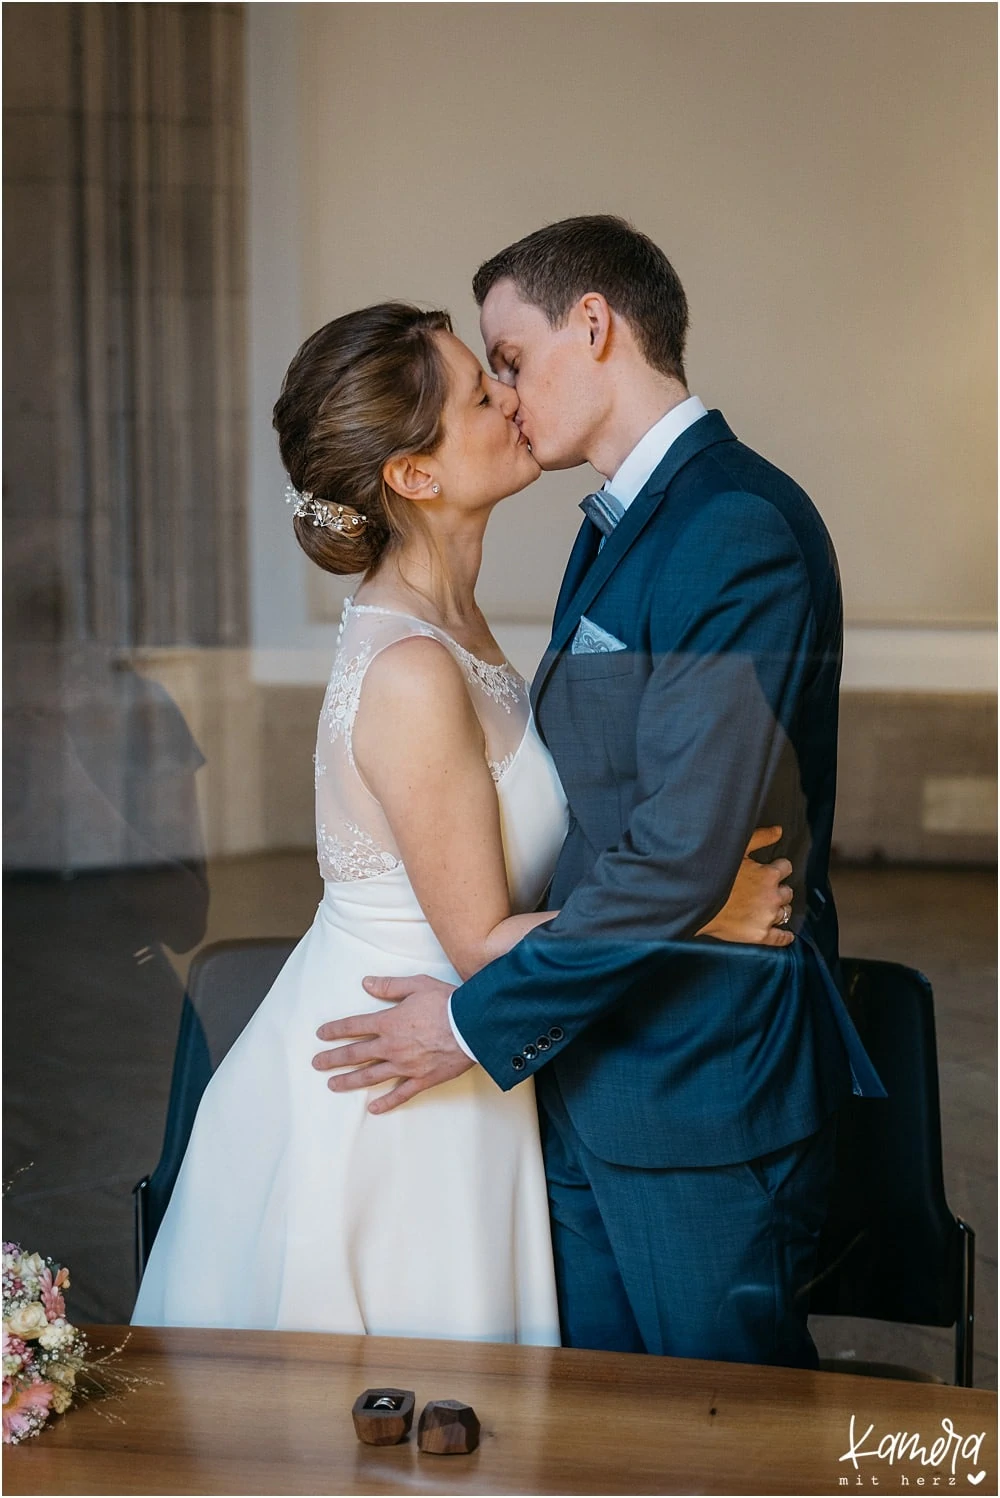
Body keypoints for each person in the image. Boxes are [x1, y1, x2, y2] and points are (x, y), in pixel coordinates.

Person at [131, 301, 796, 1338]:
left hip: (474, 1056)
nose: (511, 401)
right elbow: (480, 943)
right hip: (397, 1086)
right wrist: (702, 913)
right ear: (415, 475)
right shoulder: (408, 670)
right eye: (482, 393)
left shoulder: (453, 619)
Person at [312, 219, 885, 1369]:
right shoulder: (616, 525)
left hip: (696, 1100)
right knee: (599, 1449)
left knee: (726, 1452)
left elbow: (677, 846)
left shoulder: (729, 529)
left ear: (594, 322)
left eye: (510, 361)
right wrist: (703, 903)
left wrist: (476, 1021)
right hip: (586, 1076)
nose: (509, 399)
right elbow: (610, 817)